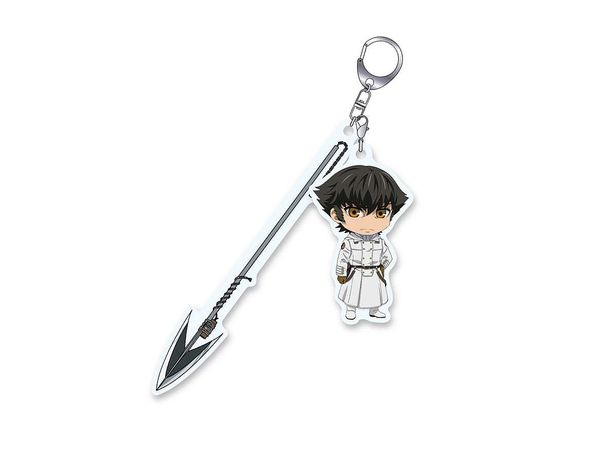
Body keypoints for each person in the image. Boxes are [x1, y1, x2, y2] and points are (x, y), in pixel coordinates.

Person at [314, 165, 409, 321]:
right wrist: (341, 274)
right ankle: (350, 309)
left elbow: (388, 256)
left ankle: (375, 309)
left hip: (374, 273)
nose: (368, 222)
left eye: (380, 213)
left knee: (376, 294)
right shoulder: (349, 242)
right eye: (355, 212)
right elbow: (342, 259)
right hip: (355, 272)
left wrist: (382, 266)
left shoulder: (380, 242)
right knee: (352, 293)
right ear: (336, 215)